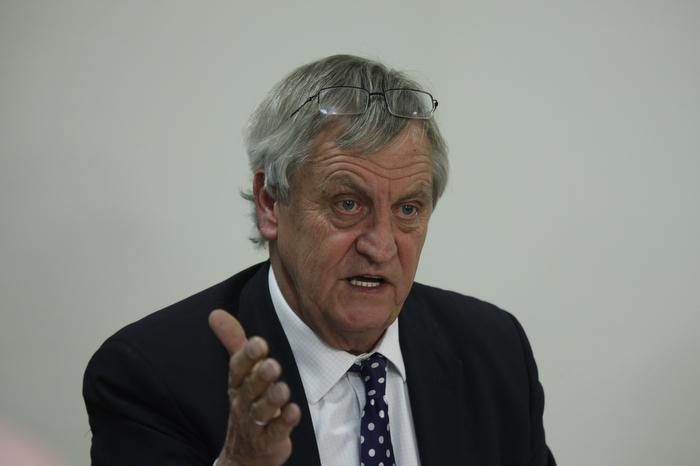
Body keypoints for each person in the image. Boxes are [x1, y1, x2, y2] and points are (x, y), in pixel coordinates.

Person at [83, 54, 556, 466]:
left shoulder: (493, 351)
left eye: (408, 209)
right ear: (270, 202)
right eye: (347, 204)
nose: (381, 246)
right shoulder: (150, 376)